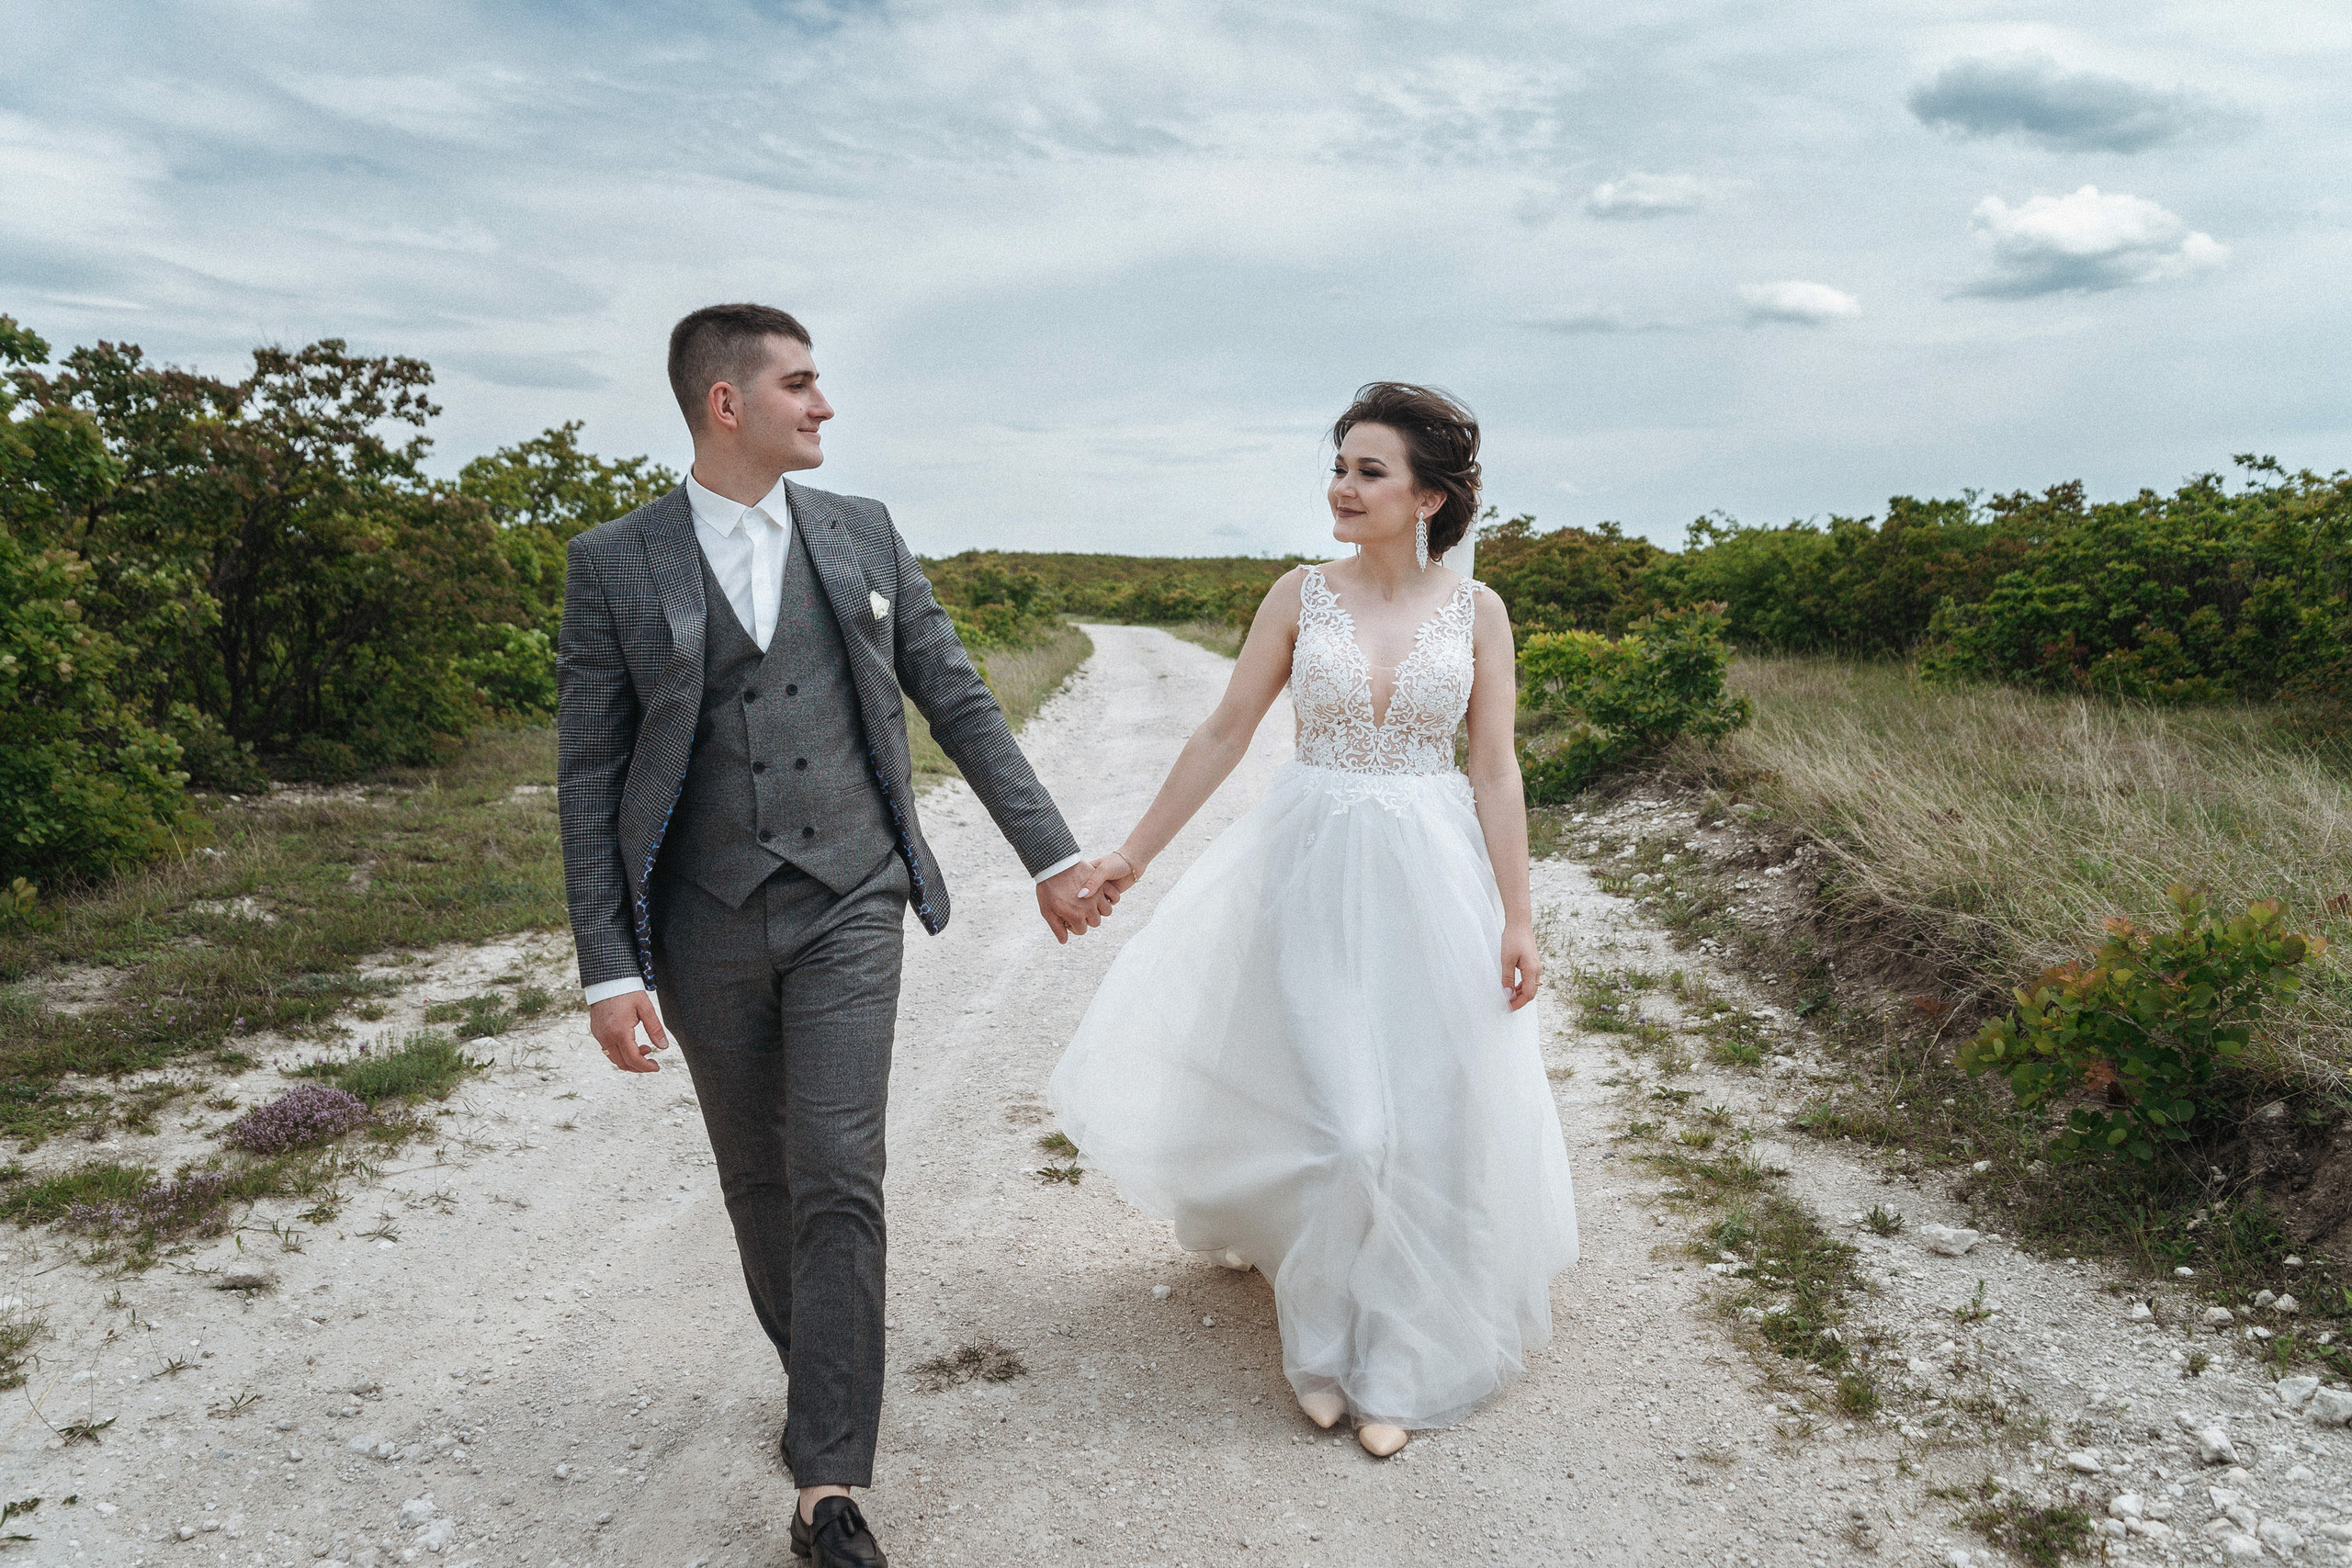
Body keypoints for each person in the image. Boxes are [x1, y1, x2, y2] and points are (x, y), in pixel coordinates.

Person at [556, 302, 1117, 1568]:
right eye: (801, 384)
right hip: (699, 920)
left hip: (852, 897)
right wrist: (609, 963)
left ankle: (828, 1480)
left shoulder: (862, 534)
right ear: (727, 403)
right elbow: (585, 779)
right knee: (761, 1179)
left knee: (839, 1161)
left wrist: (1054, 853)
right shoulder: (615, 562)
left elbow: (957, 695)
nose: (824, 405)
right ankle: (825, 1381)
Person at [1049, 381, 1579, 1458]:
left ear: (1428, 495)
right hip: (1308, 868)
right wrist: (1130, 858)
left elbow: (1493, 767)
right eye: (1338, 465)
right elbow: (1221, 732)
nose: (1341, 486)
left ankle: (1402, 1359)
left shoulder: (1478, 613)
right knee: (1345, 1129)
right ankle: (1327, 1343)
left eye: (1368, 470)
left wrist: (1518, 917)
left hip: (1431, 877)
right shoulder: (1299, 596)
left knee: (1424, 1126)